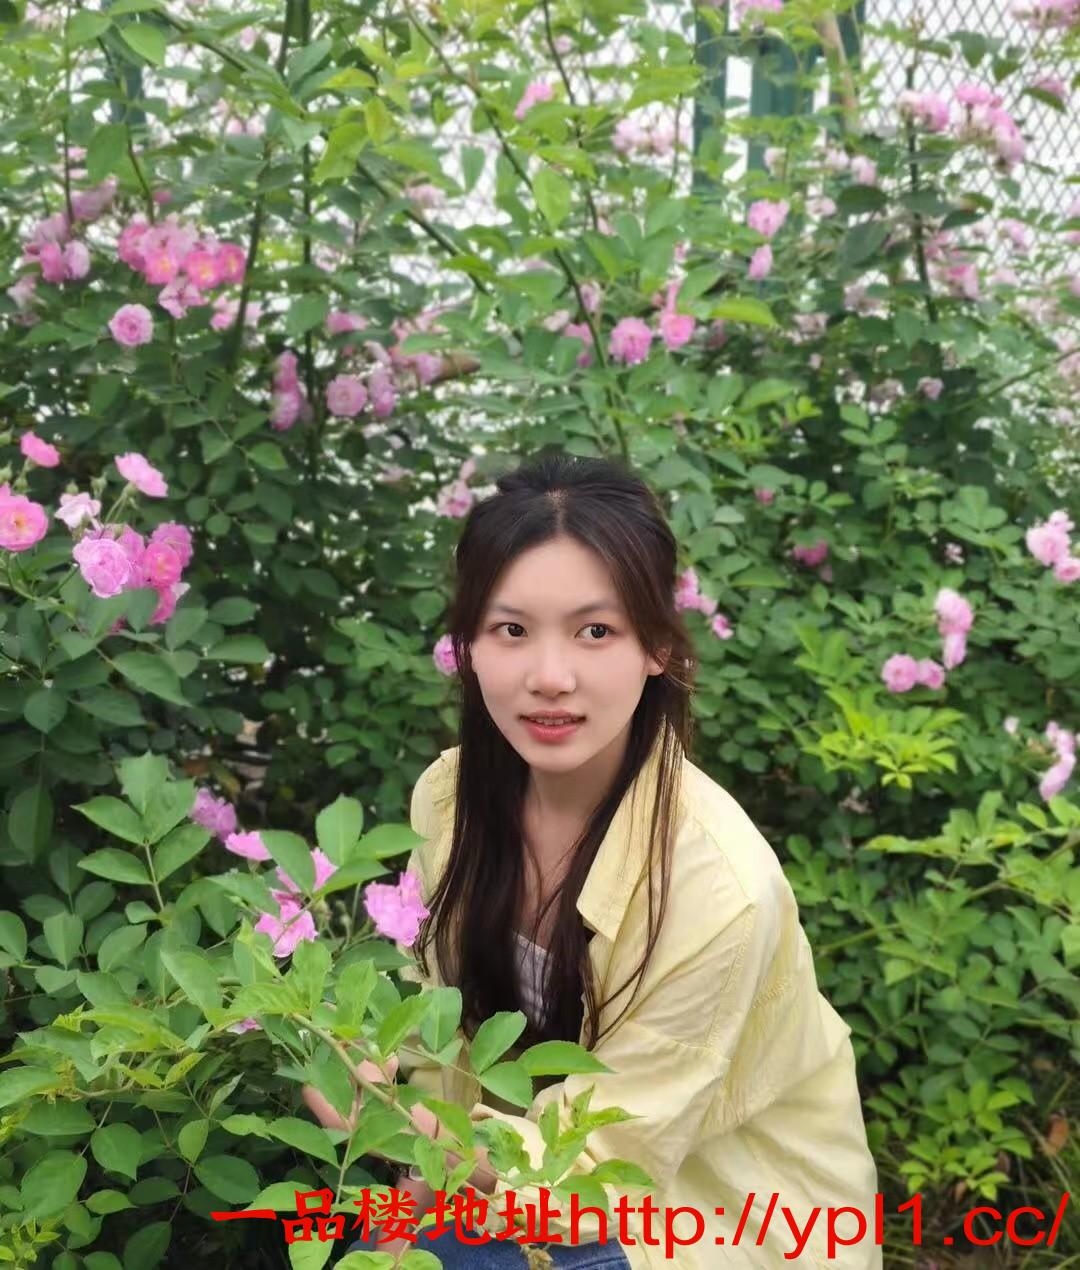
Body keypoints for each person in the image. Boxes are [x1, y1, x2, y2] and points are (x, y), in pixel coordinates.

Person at [304, 450, 882, 1268]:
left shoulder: (717, 889)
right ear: (468, 646)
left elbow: (597, 1177)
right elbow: (440, 1034)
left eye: (596, 631)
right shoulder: (448, 799)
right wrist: (384, 1145)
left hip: (705, 1218)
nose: (550, 677)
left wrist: (400, 1128)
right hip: (510, 1174)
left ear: (658, 648)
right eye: (511, 630)